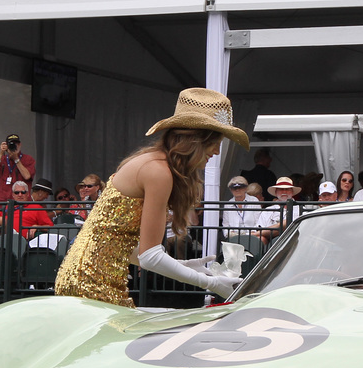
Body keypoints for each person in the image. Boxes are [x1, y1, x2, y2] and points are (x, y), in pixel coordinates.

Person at [54, 88, 245, 307]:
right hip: (92, 286)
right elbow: (149, 257)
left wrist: (183, 265)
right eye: (216, 143)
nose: (217, 152)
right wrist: (209, 283)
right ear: (196, 141)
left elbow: (120, 244)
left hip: (85, 281)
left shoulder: (153, 163)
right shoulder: (158, 171)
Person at [0, 133, 35, 201]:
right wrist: (1, 153)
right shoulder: (2, 159)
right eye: (11, 144)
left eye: (16, 144)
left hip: (19, 202)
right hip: (0, 202)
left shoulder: (28, 159)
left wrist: (16, 159)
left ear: (20, 145)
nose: (14, 146)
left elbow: (27, 176)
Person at [261, 176, 301, 243]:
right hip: (270, 243)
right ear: (276, 192)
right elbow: (260, 230)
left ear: (292, 192)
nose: (284, 192)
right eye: (281, 189)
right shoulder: (267, 211)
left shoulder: (301, 209)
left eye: (287, 189)